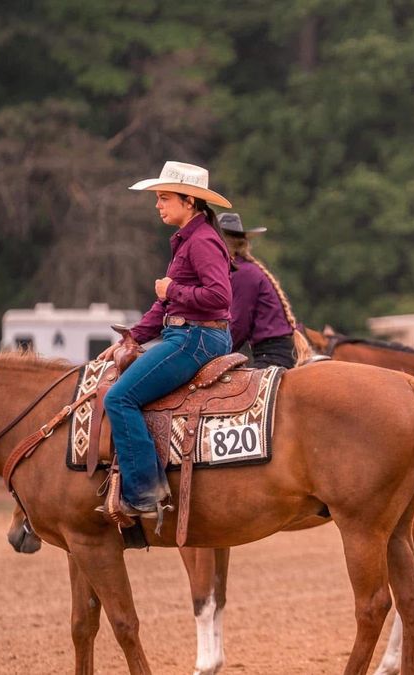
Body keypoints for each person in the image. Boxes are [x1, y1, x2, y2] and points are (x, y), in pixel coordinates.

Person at [99, 161, 234, 518]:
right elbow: (165, 307)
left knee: (120, 398)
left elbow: (220, 298)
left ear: (189, 201)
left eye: (164, 198)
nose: (158, 205)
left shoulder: (201, 241)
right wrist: (130, 338)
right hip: (193, 334)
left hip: (196, 338)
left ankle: (145, 494)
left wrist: (174, 288)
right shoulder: (190, 239)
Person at [218, 213, 309, 368]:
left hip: (272, 355)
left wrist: (214, 356)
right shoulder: (244, 270)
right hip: (273, 352)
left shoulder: (241, 273)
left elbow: (239, 326)